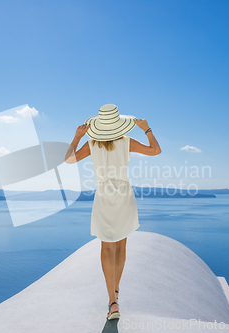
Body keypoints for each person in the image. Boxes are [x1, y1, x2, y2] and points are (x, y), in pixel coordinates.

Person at [65, 104, 161, 320]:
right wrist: (146, 129)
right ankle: (116, 291)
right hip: (124, 193)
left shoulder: (91, 144)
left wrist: (77, 137)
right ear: (118, 124)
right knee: (122, 244)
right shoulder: (127, 142)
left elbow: (69, 160)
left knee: (107, 247)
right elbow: (156, 150)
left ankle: (112, 302)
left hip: (104, 194)